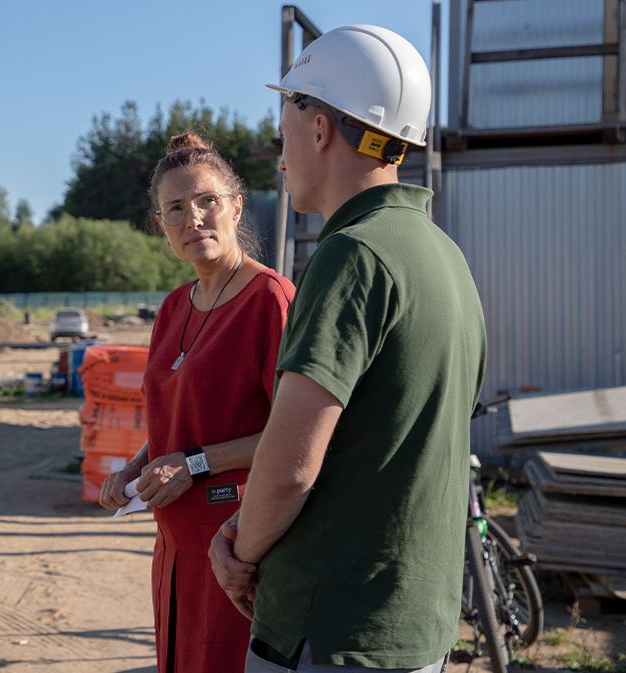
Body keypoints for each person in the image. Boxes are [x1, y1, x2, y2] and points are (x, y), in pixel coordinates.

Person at [207, 25, 487, 672]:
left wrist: (239, 552)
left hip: (331, 629)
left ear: (320, 128)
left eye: (283, 138)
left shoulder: (351, 255)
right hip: (415, 627)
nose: (280, 160)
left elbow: (292, 462)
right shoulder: (445, 257)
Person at [98, 133, 295, 672]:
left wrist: (194, 463)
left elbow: (297, 437)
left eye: (207, 202)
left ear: (235, 206)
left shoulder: (269, 301)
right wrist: (135, 467)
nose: (194, 220)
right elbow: (178, 423)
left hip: (239, 548)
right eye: (176, 209)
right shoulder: (171, 307)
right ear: (161, 225)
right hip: (176, 549)